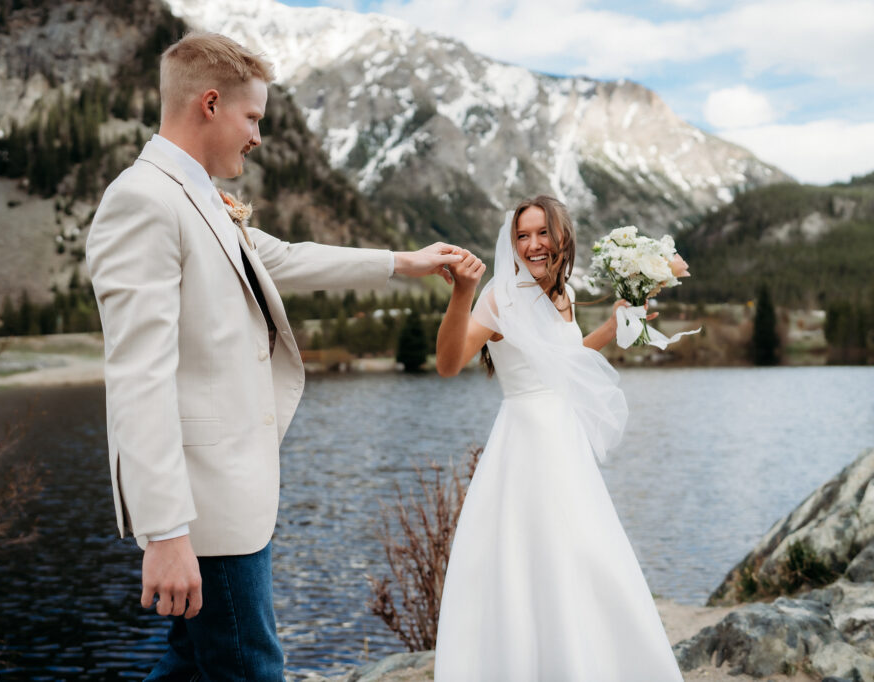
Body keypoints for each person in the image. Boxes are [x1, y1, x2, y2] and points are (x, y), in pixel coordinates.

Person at [85, 32, 461, 681]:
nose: (258, 136)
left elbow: (281, 255)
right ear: (210, 103)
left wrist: (406, 263)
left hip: (232, 493)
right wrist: (167, 533)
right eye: (252, 117)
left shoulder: (194, 193)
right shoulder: (143, 201)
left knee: (193, 665)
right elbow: (137, 378)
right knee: (248, 667)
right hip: (204, 508)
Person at [432, 195, 686, 681]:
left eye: (541, 233)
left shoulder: (561, 295)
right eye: (522, 236)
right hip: (526, 445)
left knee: (582, 555)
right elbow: (447, 365)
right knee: (533, 559)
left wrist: (612, 327)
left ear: (561, 236)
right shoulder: (499, 297)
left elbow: (561, 364)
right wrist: (463, 294)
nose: (532, 245)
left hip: (563, 443)